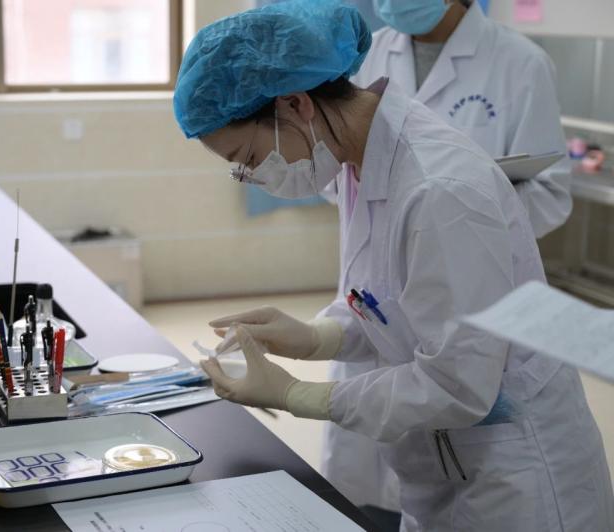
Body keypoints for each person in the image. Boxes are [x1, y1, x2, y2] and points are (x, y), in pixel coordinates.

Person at [173, 1, 614, 531]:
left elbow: (458, 384)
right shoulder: (355, 159)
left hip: (517, 475)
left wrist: (297, 394)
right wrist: (317, 337)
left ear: (294, 104)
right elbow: (385, 299)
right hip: (445, 461)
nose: (254, 175)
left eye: (247, 158)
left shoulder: (439, 190)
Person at [320, 0, 574, 522]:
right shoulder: (368, 55)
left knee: (460, 421)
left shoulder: (521, 62)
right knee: (373, 488)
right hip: (382, 299)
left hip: (476, 295)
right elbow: (341, 169)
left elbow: (551, 193)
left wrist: (463, 211)